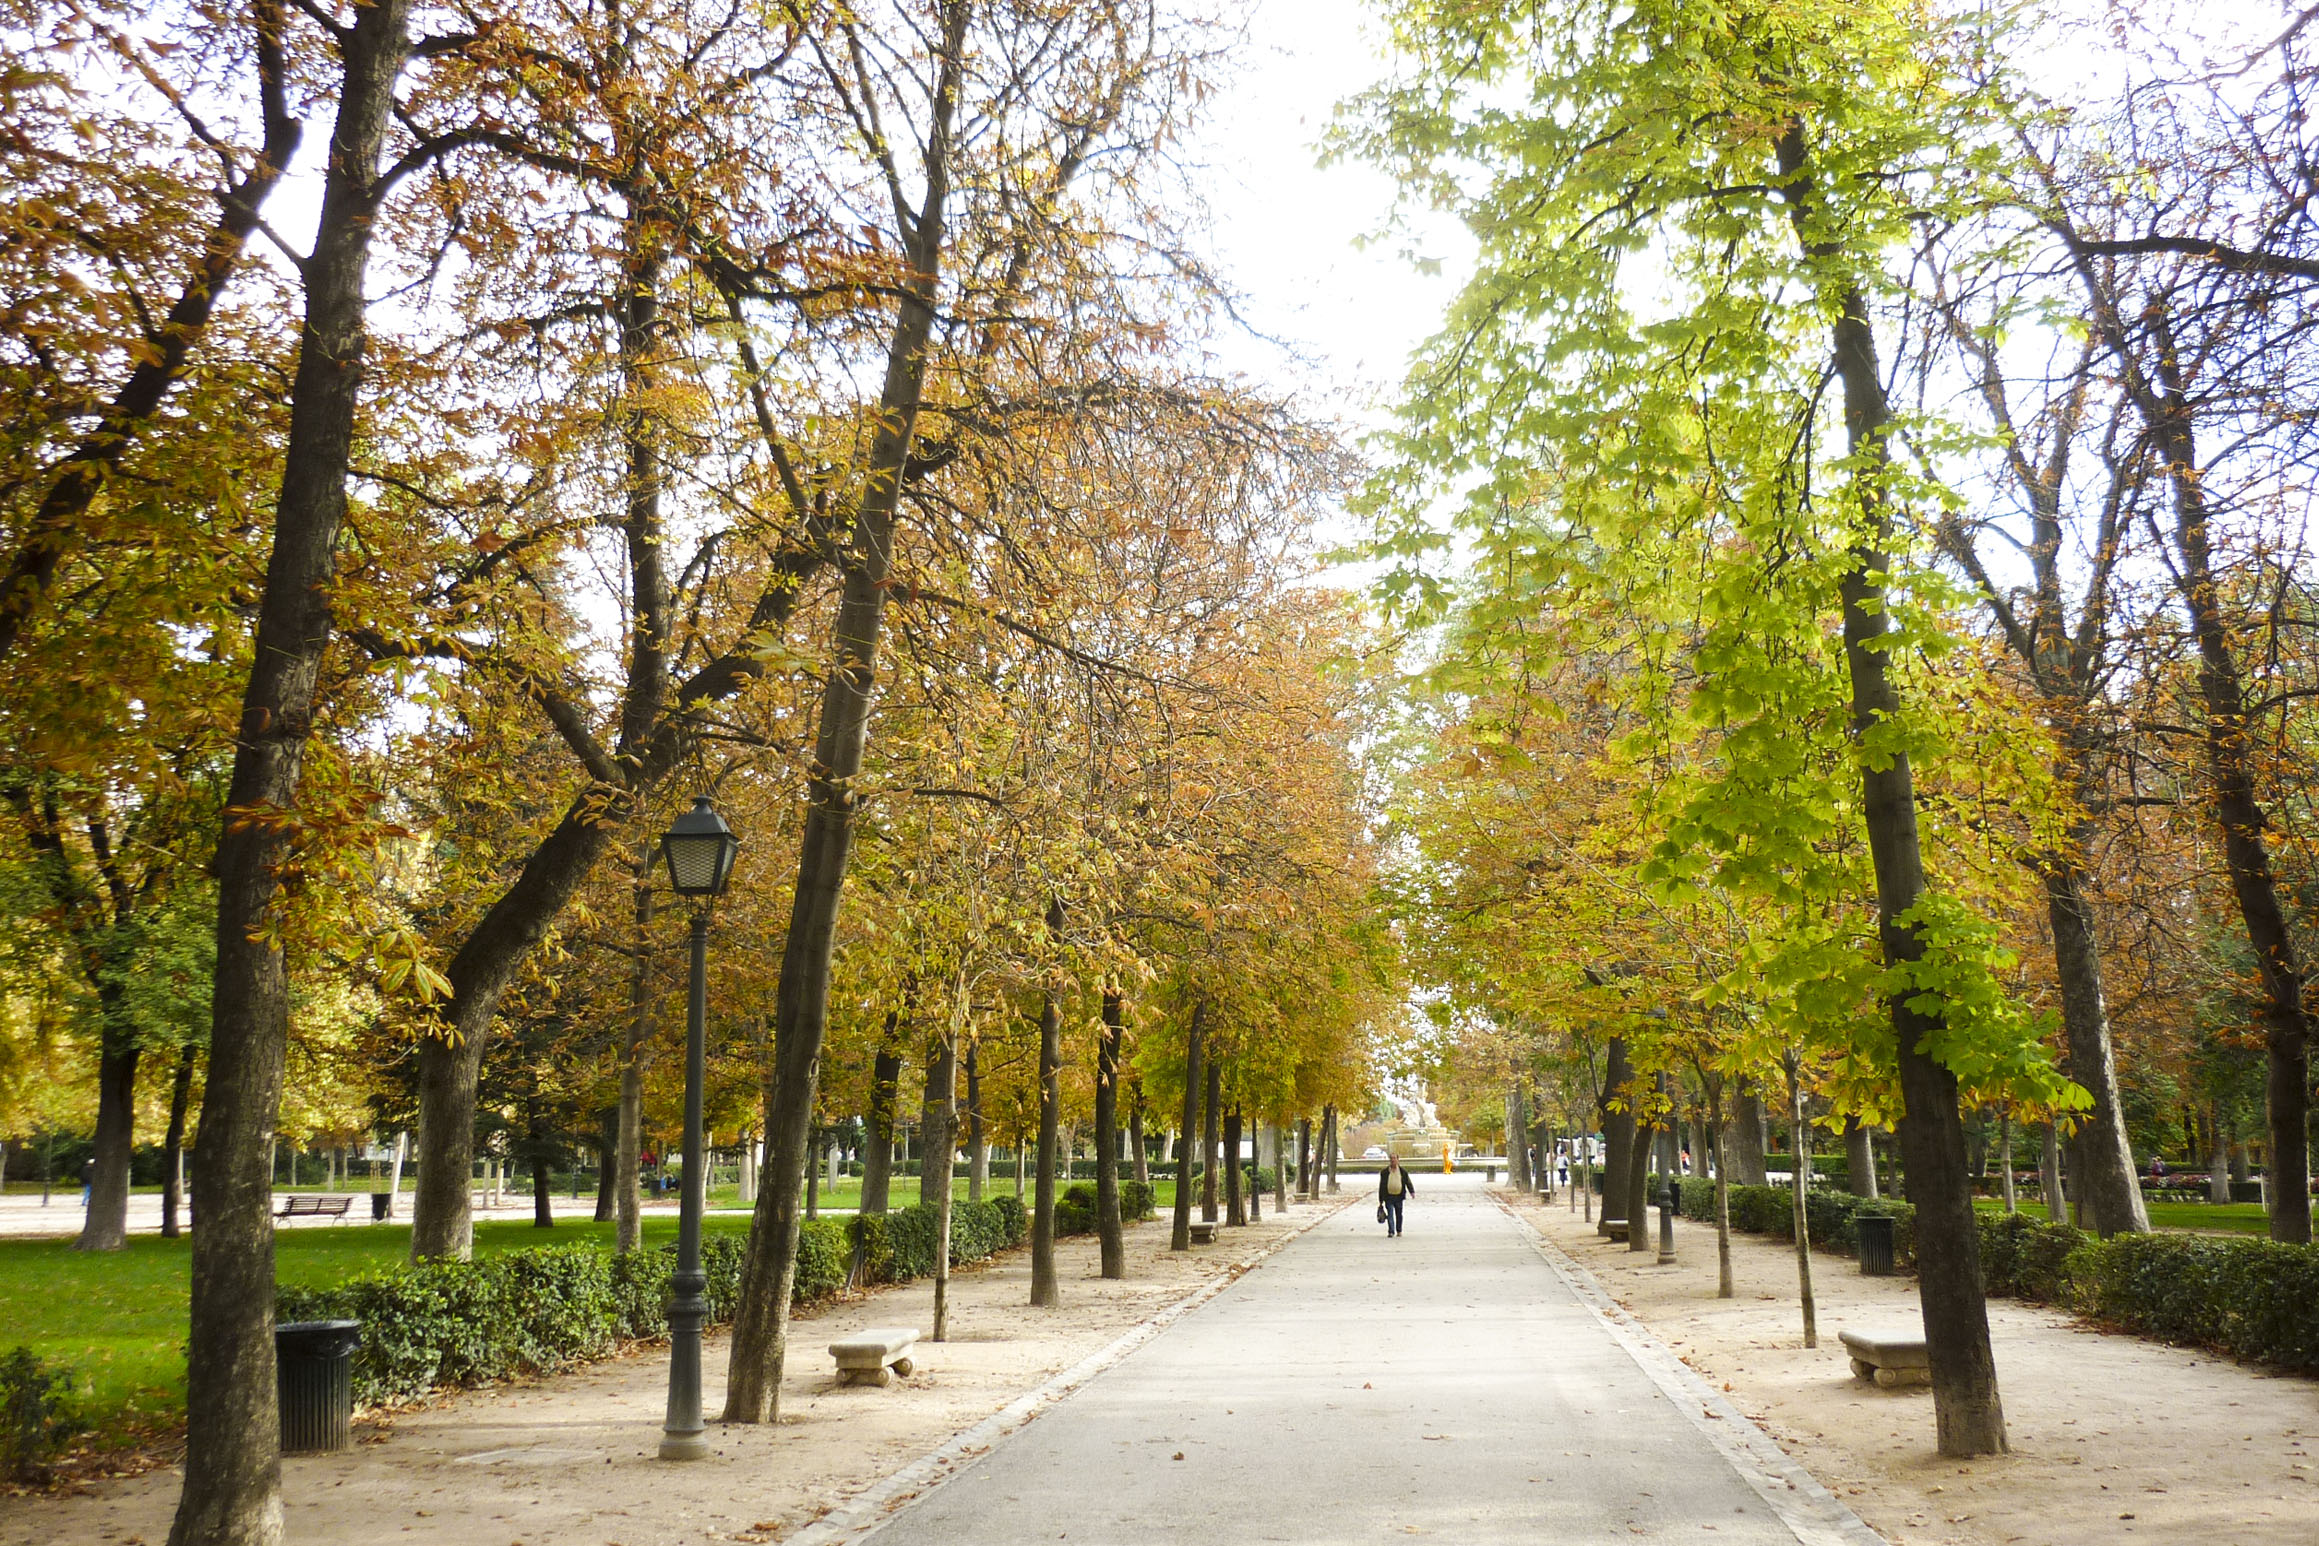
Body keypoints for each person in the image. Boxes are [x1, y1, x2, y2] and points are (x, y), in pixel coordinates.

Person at [1377, 1154, 1414, 1237]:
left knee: (1399, 1214)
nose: (1393, 1160)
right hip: (1388, 1196)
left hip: (1399, 1196)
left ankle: (1399, 1230)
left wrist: (1412, 1191)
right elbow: (1381, 1186)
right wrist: (1380, 1199)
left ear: (1398, 1160)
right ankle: (1391, 1231)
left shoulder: (1402, 1171)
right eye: (1391, 1158)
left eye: (1394, 1158)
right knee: (1390, 1214)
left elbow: (1408, 1182)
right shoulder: (1385, 1172)